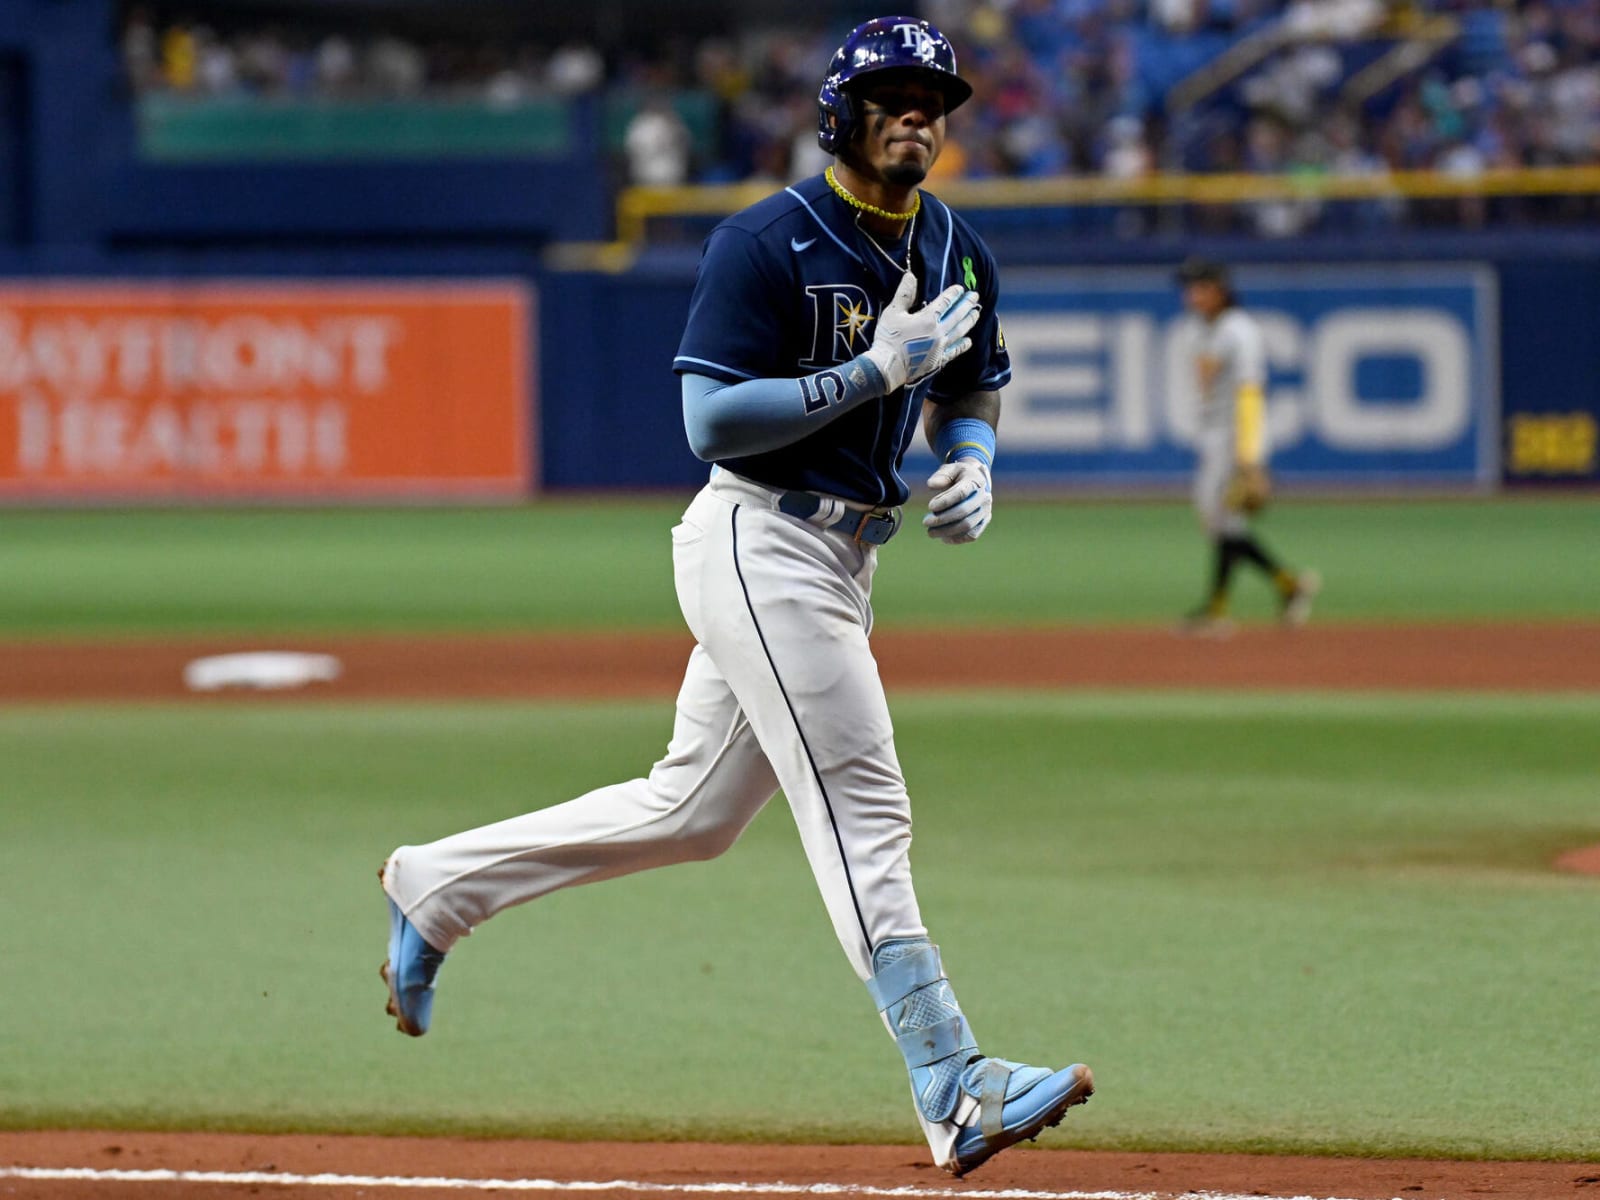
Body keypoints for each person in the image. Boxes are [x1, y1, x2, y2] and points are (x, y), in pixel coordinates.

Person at [377, 15, 1093, 1178]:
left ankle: (437, 885)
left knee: (691, 813)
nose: (920, 113)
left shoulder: (958, 247)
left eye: (935, 99)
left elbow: (973, 387)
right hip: (760, 538)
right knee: (865, 804)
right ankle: (952, 1081)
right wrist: (870, 374)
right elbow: (709, 420)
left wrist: (973, 459)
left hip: (846, 556)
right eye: (894, 95)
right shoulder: (766, 241)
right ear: (839, 115)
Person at [1174, 257, 1319, 635]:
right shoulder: (1207, 329)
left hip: (1237, 439)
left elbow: (1251, 393)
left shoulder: (1239, 331)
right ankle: (1289, 586)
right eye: (1189, 288)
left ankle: (1218, 610)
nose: (1191, 295)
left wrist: (1250, 458)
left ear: (1219, 290)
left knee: (1222, 520)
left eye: (1199, 288)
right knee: (1223, 523)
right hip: (1216, 437)